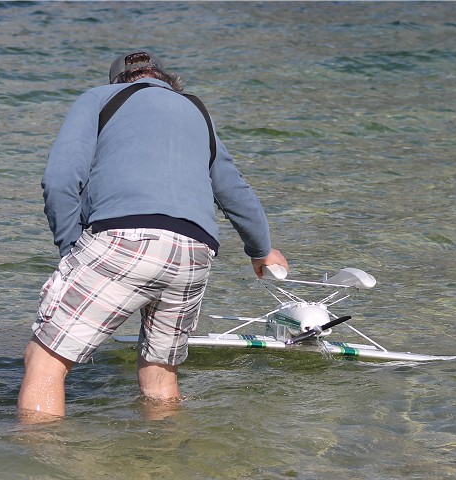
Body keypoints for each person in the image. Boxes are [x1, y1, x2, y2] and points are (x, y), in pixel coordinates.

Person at [17, 50, 288, 418]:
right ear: (167, 80)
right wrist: (262, 249)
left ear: (116, 81)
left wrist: (71, 250)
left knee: (45, 359)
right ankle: (166, 461)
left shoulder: (99, 98)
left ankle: (40, 465)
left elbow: (61, 179)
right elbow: (233, 189)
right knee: (160, 375)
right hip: (195, 252)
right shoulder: (196, 109)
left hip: (125, 238)